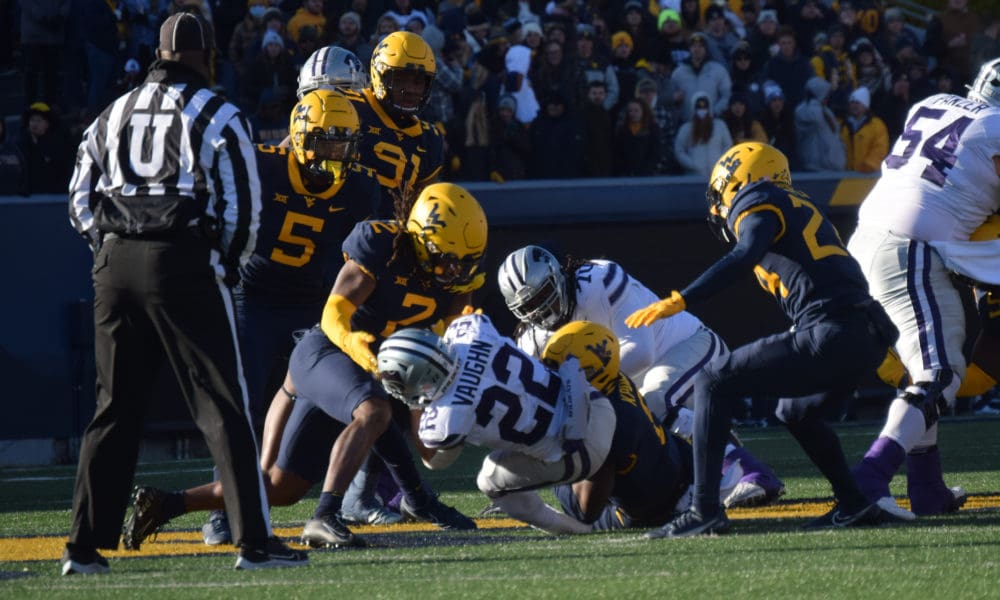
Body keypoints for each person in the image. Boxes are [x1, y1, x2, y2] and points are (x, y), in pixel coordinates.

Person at [64, 12, 307, 574]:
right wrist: (220, 263)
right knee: (223, 404)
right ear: (206, 57)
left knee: (113, 408)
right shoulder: (218, 113)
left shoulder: (111, 113)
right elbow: (243, 210)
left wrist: (106, 248)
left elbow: (79, 198)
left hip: (115, 265)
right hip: (184, 261)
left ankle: (82, 548)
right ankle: (255, 542)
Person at [122, 182, 482, 551]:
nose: (454, 271)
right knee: (375, 411)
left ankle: (166, 503)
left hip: (363, 375)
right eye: (448, 258)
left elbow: (457, 340)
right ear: (420, 236)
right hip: (327, 351)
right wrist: (357, 346)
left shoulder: (457, 282)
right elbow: (333, 313)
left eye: (465, 261)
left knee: (282, 487)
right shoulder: (382, 244)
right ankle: (326, 516)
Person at [626, 141, 901, 538]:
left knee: (713, 381)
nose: (719, 206)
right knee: (794, 412)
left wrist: (682, 299)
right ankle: (854, 502)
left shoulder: (760, 196)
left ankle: (704, 510)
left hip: (833, 329)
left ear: (739, 180)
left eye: (721, 193)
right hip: (863, 334)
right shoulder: (796, 203)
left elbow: (744, 254)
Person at [498, 244, 785, 509]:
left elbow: (641, 352)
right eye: (529, 307)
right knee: (627, 425)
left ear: (558, 276)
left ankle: (753, 473)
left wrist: (582, 390)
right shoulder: (531, 339)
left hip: (691, 347)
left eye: (544, 294)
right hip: (633, 380)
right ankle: (705, 464)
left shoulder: (598, 279)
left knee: (654, 402)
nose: (542, 310)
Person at [847, 58, 1000, 518]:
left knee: (924, 370)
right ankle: (870, 477)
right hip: (910, 246)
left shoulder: (930, 103)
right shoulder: (996, 128)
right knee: (942, 373)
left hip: (868, 237)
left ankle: (927, 488)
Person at [375, 313, 616, 535]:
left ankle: (572, 529)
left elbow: (435, 461)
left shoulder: (448, 417)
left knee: (489, 478)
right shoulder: (472, 330)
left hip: (580, 448)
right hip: (596, 404)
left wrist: (415, 406)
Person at [540, 321, 746, 531]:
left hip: (653, 509)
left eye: (561, 373)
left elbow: (587, 510)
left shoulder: (605, 422)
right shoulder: (615, 378)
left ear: (591, 372)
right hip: (680, 468)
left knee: (553, 455)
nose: (553, 380)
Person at [839, 86, 889, 173]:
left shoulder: (877, 125)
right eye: (852, 102)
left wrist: (869, 165)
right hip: (846, 175)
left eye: (857, 103)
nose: (854, 106)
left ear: (865, 106)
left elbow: (880, 148)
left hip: (869, 175)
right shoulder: (843, 125)